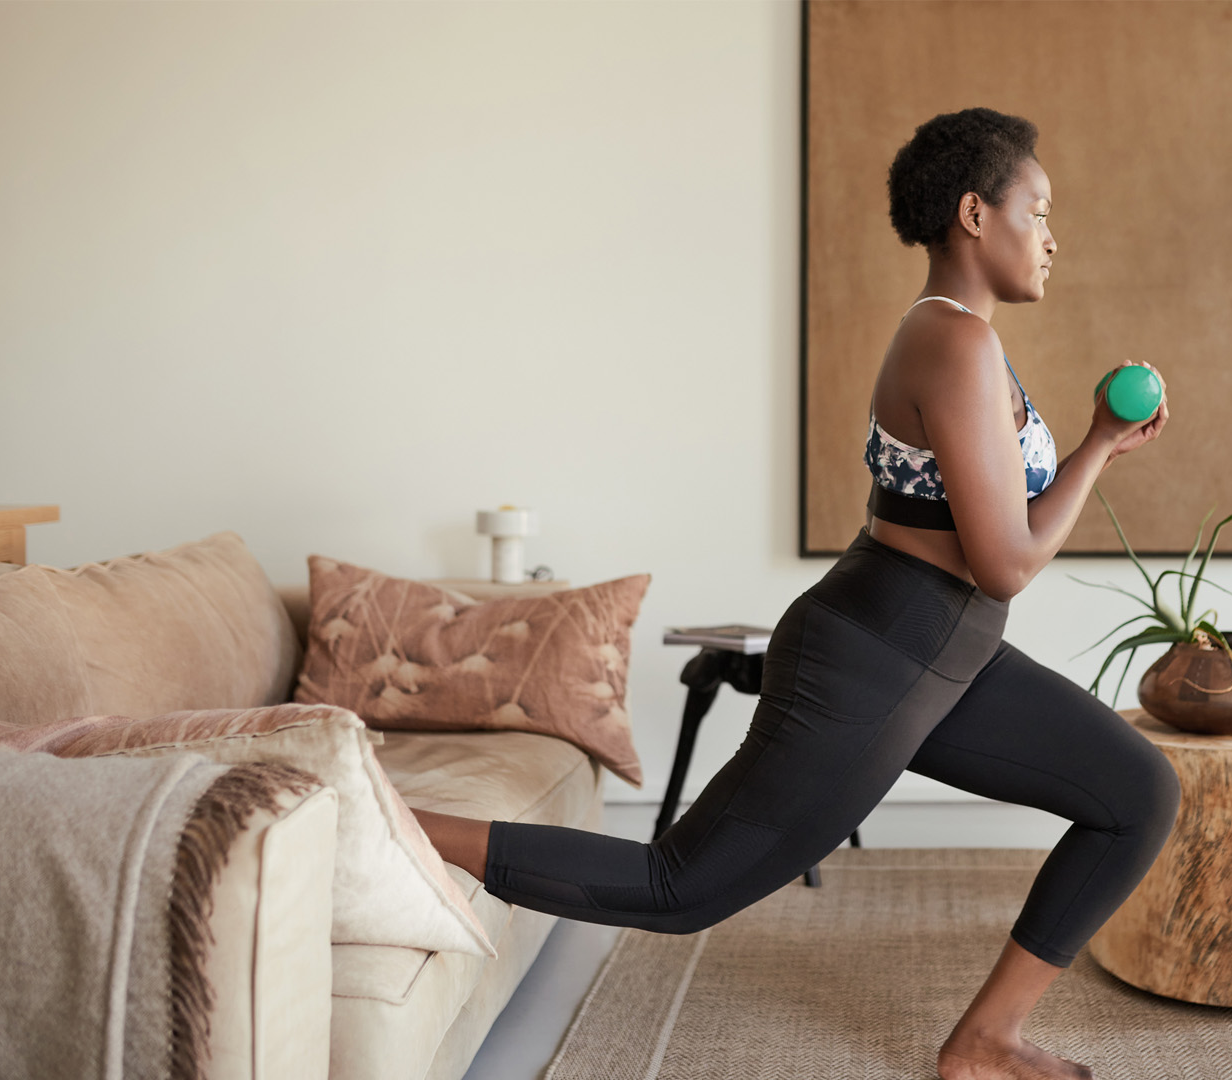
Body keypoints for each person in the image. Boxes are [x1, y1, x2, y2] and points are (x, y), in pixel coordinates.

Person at [416, 107, 1178, 1080]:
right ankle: (394, 829)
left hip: (943, 652)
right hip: (884, 653)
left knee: (1136, 791)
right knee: (677, 887)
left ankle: (985, 1043)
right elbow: (1007, 564)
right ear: (977, 214)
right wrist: (1094, 456)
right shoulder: (953, 344)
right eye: (1040, 208)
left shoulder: (968, 342)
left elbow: (999, 537)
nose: (1054, 234)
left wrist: (1098, 445)